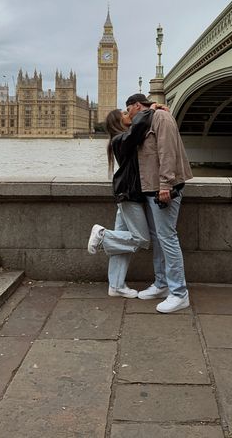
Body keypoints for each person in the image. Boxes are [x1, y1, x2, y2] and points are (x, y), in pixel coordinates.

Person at [124, 93, 193, 313]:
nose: (128, 115)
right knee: (158, 237)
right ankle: (162, 284)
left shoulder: (161, 118)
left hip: (164, 189)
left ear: (137, 105)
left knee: (167, 237)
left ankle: (180, 293)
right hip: (150, 188)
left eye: (129, 110)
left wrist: (165, 184)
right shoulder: (146, 119)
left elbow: (167, 152)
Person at [87, 107, 154, 298]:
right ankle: (102, 235)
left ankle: (116, 285)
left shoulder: (120, 140)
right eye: (124, 114)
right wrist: (149, 110)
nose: (129, 115)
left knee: (121, 242)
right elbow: (138, 128)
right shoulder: (120, 140)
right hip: (128, 195)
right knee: (141, 240)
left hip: (125, 194)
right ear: (118, 122)